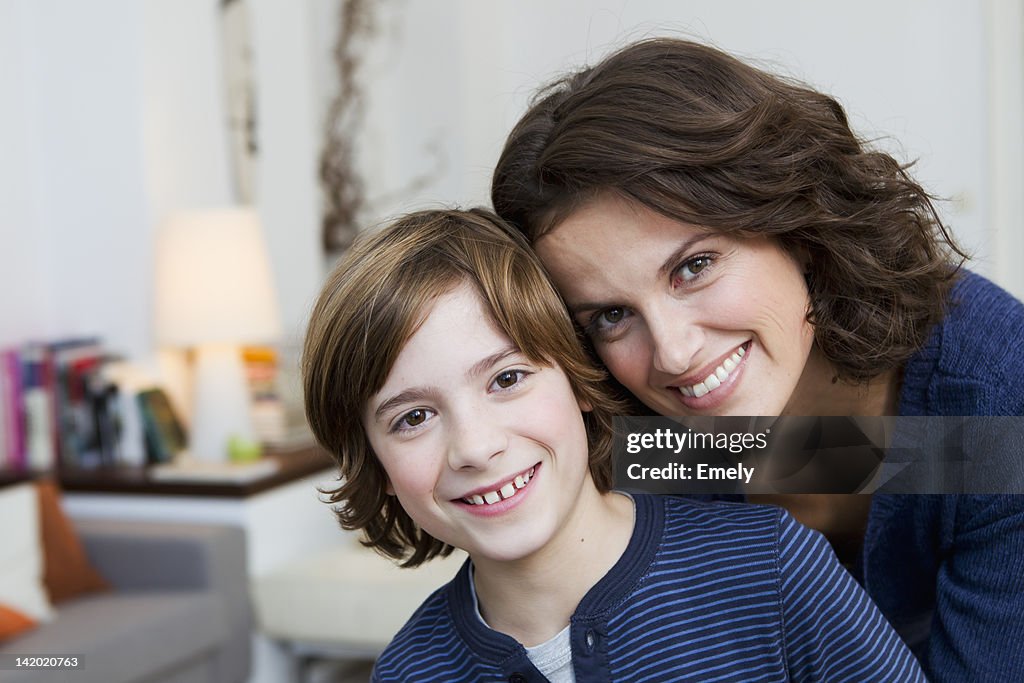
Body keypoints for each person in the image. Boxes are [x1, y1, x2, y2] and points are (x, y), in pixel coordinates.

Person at [490, 37, 1024, 681]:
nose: (674, 352)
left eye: (693, 267)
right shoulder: (644, 438)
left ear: (796, 224)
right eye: (611, 315)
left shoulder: (998, 396)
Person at [301, 208, 925, 682]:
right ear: (375, 465)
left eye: (507, 379)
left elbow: (947, 456)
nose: (475, 446)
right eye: (411, 418)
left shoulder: (773, 563)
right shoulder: (411, 668)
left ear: (579, 380)